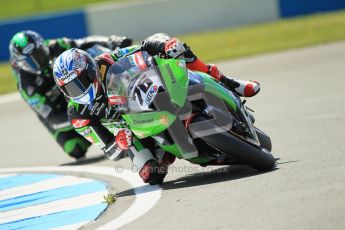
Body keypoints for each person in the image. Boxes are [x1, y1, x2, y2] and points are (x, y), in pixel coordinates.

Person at [52, 33, 260, 184]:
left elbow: (141, 48)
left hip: (147, 96)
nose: (79, 90)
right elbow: (107, 149)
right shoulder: (77, 114)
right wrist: (119, 142)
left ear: (90, 70)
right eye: (71, 88)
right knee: (151, 174)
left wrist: (163, 44)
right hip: (133, 132)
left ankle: (229, 82)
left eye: (81, 81)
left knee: (177, 51)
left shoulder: (104, 62)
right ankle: (166, 151)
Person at [9, 30, 132, 160]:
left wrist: (110, 41)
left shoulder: (55, 45)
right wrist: (81, 117)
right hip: (60, 112)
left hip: (80, 92)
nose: (38, 62)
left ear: (43, 46)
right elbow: (51, 119)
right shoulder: (26, 86)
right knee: (75, 147)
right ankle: (103, 138)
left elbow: (83, 43)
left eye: (40, 54)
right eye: (31, 62)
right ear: (19, 63)